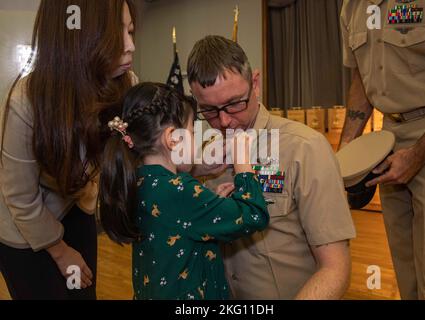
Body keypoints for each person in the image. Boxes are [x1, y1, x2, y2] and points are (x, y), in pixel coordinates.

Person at [187, 35, 356, 300]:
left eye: (234, 104)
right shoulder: (200, 155)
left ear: (255, 84)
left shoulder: (304, 148)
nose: (224, 121)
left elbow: (335, 268)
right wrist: (194, 170)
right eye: (208, 110)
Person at [0, 0, 137, 300]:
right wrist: (61, 253)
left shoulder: (123, 85)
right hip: (25, 228)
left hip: (76, 210)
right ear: (81, 37)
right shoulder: (26, 102)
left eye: (131, 31)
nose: (131, 47)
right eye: (118, 35)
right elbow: (20, 199)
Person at [99, 82, 269, 300]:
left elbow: (177, 223)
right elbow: (254, 214)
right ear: (173, 138)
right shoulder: (179, 190)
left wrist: (209, 205)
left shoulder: (137, 181)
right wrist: (242, 162)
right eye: (191, 132)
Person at [340, 1, 425, 299]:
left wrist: (416, 156)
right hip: (388, 138)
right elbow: (360, 83)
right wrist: (345, 153)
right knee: (405, 272)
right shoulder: (352, 8)